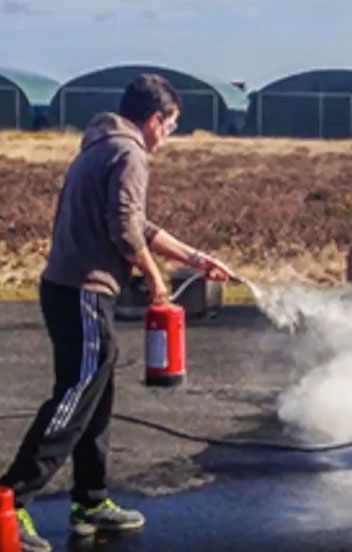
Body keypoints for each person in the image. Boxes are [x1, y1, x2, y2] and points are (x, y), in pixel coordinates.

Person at [0, 74, 234, 552]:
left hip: (68, 289)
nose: (169, 135)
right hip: (83, 292)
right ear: (154, 120)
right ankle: (12, 496)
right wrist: (154, 279)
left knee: (97, 392)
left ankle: (91, 498)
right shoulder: (130, 154)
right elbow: (125, 231)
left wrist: (193, 258)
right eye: (171, 125)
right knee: (77, 393)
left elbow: (138, 225)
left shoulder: (103, 145)